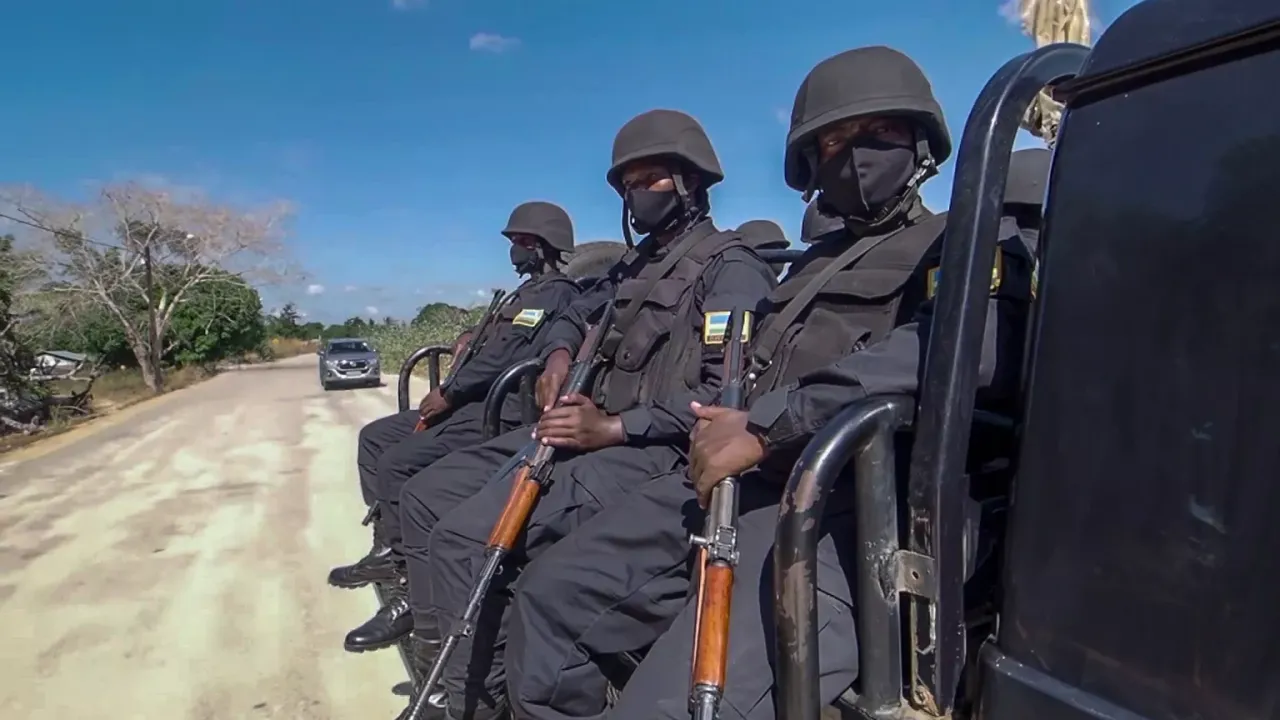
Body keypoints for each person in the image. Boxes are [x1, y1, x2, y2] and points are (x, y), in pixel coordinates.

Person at [504, 45, 1038, 720]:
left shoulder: (966, 242)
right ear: (811, 163)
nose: (856, 155)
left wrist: (768, 425)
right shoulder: (811, 264)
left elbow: (962, 347)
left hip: (847, 516)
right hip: (732, 485)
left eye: (880, 133)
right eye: (834, 141)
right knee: (549, 601)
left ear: (920, 143)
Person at [387, 108, 778, 720]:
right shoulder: (635, 264)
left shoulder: (730, 268)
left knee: (468, 543)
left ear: (690, 182)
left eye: (651, 179)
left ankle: (474, 701)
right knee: (430, 498)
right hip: (584, 432)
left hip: (653, 450)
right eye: (629, 184)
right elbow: (573, 310)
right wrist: (560, 355)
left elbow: (722, 395)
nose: (637, 194)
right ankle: (450, 675)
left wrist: (616, 428)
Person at [330, 201, 581, 607]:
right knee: (374, 438)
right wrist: (467, 334)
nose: (514, 249)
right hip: (473, 400)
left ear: (541, 245)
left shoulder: (555, 293)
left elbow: (506, 354)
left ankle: (402, 573)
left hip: (497, 408)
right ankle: (386, 543)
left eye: (521, 241)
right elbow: (493, 335)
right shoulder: (524, 293)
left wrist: (448, 392)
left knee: (397, 464)